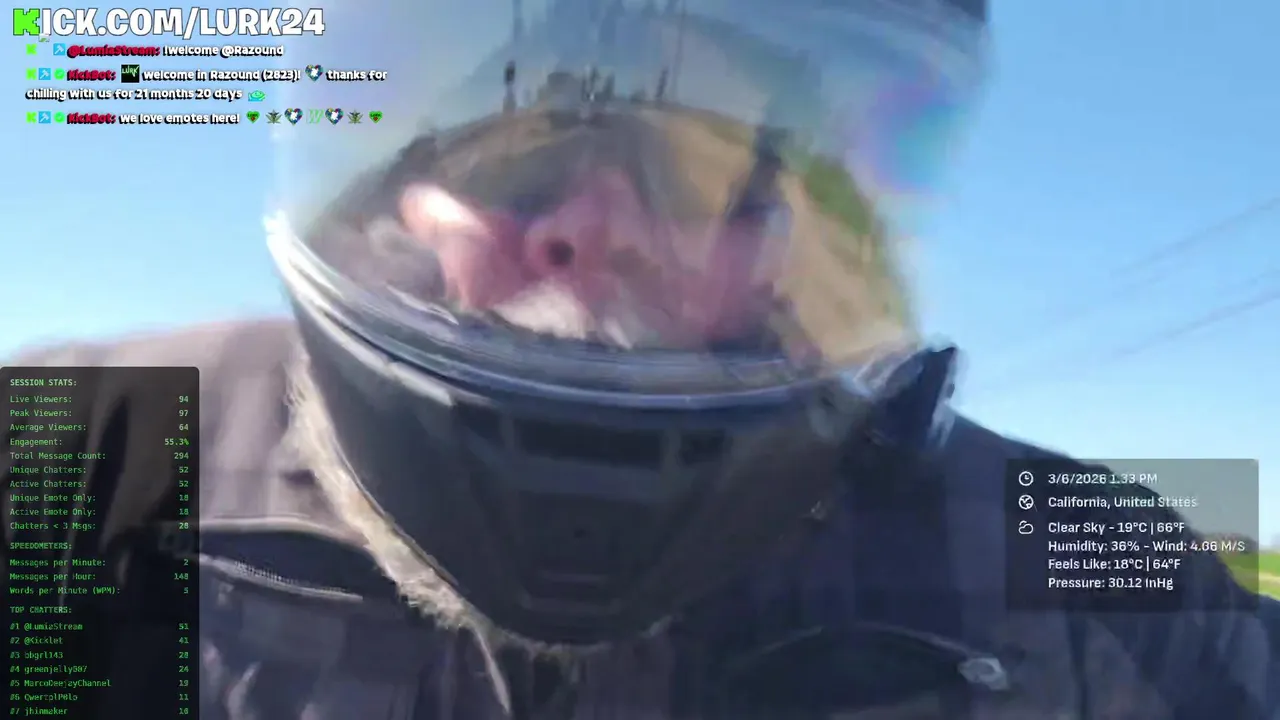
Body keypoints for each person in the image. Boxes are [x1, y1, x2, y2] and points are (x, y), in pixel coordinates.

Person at [4, 0, 1276, 717]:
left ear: (790, 237)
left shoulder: (1060, 546)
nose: (595, 227)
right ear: (391, 193)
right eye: (510, 145)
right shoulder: (72, 448)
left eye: (696, 167)